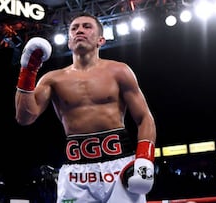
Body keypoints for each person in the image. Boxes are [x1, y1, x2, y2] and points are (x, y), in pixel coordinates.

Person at [15, 12, 157, 203]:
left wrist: (144, 160)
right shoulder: (52, 79)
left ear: (101, 40)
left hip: (120, 165)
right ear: (69, 42)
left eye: (86, 26)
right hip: (76, 172)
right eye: (74, 28)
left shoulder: (119, 71)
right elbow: (25, 117)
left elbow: (144, 118)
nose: (79, 30)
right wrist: (28, 72)